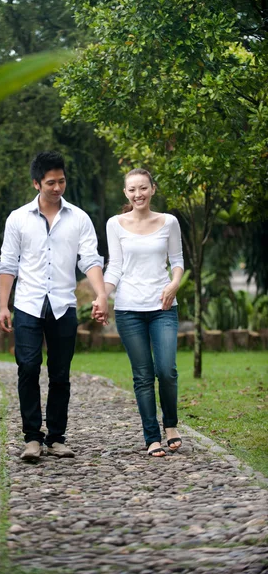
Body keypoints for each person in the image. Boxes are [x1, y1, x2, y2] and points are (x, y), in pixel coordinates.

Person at [0, 151, 108, 461]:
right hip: (28, 305)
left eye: (61, 181)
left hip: (63, 305)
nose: (57, 188)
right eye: (50, 183)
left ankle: (56, 437)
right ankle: (32, 438)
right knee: (28, 367)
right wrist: (4, 306)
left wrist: (100, 294)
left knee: (60, 373)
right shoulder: (18, 218)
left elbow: (90, 259)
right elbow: (8, 264)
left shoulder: (79, 218)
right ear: (36, 183)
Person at [97, 168, 184, 457]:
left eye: (143, 188)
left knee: (167, 370)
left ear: (153, 189)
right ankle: (152, 437)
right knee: (143, 376)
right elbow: (116, 266)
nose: (138, 194)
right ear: (126, 193)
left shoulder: (168, 222)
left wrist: (173, 285)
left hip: (163, 306)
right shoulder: (115, 224)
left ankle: (170, 424)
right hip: (129, 309)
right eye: (132, 189)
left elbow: (178, 261)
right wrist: (102, 295)